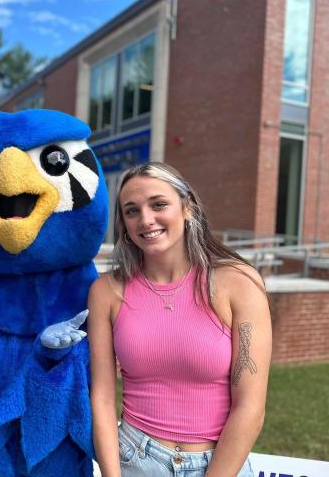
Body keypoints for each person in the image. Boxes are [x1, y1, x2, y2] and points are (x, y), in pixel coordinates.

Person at [89, 162, 271, 477]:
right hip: (135, 459)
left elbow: (250, 409)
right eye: (132, 211)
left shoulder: (237, 282)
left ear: (187, 208)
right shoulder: (107, 291)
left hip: (221, 464)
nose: (146, 219)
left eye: (159, 204)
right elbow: (102, 398)